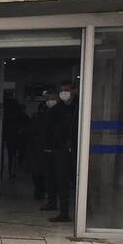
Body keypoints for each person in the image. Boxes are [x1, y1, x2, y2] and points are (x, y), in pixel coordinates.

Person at [48, 81, 79, 223]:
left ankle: (86, 212)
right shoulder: (57, 109)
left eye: (66, 90)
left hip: (77, 149)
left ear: (73, 91)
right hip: (60, 148)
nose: (64, 93)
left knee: (78, 180)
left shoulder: (79, 106)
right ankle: (64, 212)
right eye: (62, 91)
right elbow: (50, 127)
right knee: (61, 181)